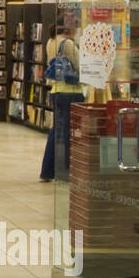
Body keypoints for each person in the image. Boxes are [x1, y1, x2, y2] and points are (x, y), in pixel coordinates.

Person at [40, 23, 83, 183]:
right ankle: (64, 172)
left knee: (56, 131)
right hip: (70, 91)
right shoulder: (68, 43)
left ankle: (47, 170)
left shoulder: (50, 42)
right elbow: (78, 67)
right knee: (67, 133)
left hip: (56, 91)